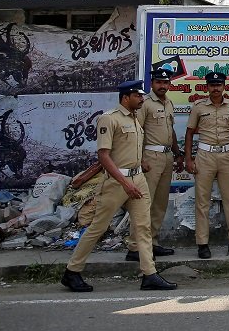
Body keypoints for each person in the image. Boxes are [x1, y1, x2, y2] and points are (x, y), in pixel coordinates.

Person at [61, 80, 177, 292]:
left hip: (138, 179)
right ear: (126, 97)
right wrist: (125, 183)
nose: (142, 99)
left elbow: (132, 149)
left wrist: (140, 163)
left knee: (143, 227)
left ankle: (149, 274)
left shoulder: (135, 119)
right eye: (138, 96)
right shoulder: (109, 118)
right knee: (98, 227)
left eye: (142, 96)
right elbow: (103, 156)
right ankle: (72, 271)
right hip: (117, 183)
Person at [184, 71, 229, 259]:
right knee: (202, 201)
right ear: (207, 87)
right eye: (212, 85)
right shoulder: (199, 107)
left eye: (219, 85)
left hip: (227, 156)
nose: (216, 88)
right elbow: (189, 133)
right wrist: (188, 158)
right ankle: (202, 244)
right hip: (205, 156)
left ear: (224, 86)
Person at [125, 67, 183, 262]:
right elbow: (136, 131)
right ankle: (135, 246)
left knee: (160, 203)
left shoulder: (168, 103)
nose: (162, 86)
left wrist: (177, 153)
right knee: (143, 204)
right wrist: (140, 159)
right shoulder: (145, 104)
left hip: (166, 157)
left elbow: (171, 131)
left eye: (166, 83)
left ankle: (152, 243)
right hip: (150, 156)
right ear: (152, 83)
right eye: (159, 82)